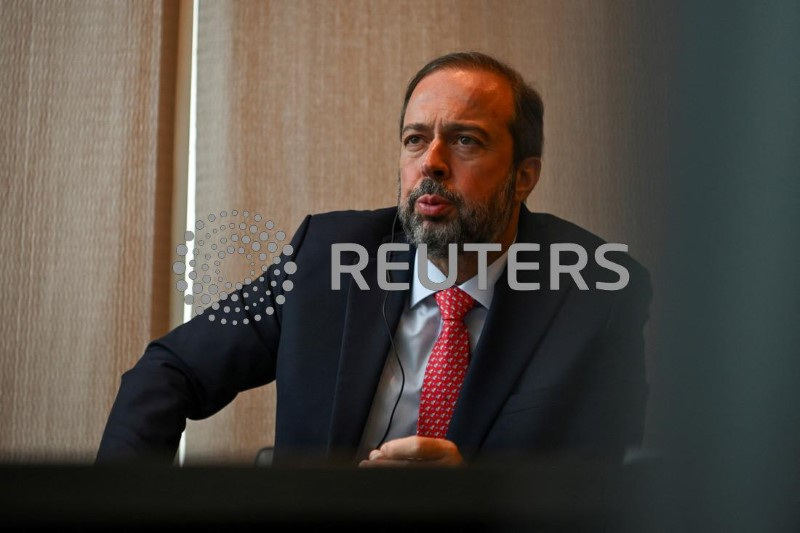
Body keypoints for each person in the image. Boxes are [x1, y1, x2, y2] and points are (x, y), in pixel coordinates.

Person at [97, 51, 651, 467]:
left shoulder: (593, 290)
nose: (431, 162)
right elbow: (170, 370)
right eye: (415, 139)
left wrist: (474, 491)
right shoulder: (327, 256)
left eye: (466, 141)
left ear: (524, 176)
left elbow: (607, 472)